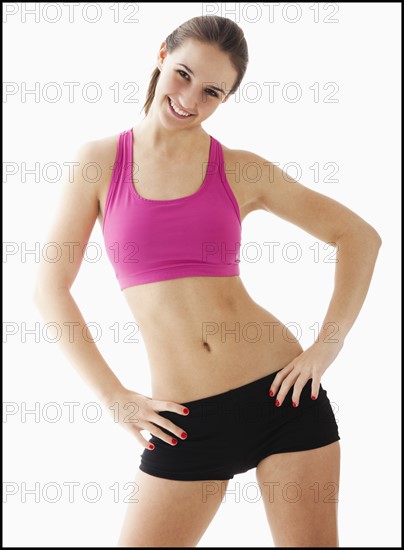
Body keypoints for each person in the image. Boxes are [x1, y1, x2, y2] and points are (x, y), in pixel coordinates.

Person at [34, 15, 382, 548]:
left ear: (226, 98)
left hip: (283, 399)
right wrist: (113, 397)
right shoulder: (100, 162)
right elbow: (50, 288)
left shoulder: (240, 169)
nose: (190, 98)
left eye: (212, 91)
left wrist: (326, 347)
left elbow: (359, 237)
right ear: (160, 56)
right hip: (184, 422)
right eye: (183, 74)